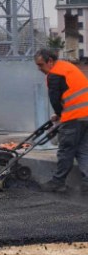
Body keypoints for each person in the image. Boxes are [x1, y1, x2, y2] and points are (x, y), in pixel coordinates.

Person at [33, 48, 88, 193]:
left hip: (74, 117)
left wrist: (59, 114)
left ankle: (58, 182)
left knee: (66, 150)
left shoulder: (55, 74)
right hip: (85, 116)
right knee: (83, 150)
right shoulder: (67, 67)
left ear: (50, 61)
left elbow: (55, 100)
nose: (39, 69)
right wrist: (60, 114)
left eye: (40, 65)